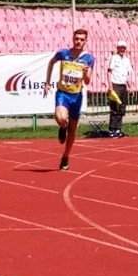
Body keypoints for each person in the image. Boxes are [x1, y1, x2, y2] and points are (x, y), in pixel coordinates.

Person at [43, 29, 95, 171]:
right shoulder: (63, 53)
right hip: (63, 94)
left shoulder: (89, 58)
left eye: (82, 39)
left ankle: (65, 156)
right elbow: (51, 63)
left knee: (72, 130)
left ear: (85, 41)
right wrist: (47, 82)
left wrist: (86, 72)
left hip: (76, 96)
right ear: (73, 39)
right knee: (60, 117)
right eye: (76, 38)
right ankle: (62, 126)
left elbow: (88, 81)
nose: (78, 41)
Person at [107, 40, 133, 138]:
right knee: (115, 108)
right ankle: (112, 129)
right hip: (115, 85)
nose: (122, 49)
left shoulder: (127, 60)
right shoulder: (114, 58)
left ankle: (118, 129)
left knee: (122, 108)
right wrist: (110, 85)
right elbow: (109, 72)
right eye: (120, 47)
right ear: (117, 48)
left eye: (124, 48)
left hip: (123, 85)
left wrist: (130, 86)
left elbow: (128, 74)